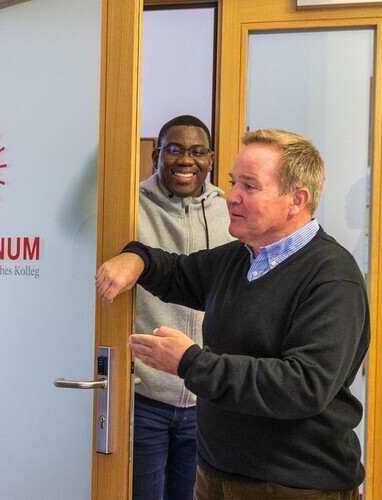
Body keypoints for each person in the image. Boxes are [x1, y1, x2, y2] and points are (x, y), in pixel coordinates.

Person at [97, 129, 369, 499]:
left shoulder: (332, 276)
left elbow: (303, 386)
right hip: (217, 476)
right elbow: (176, 272)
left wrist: (190, 362)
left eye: (249, 186)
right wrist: (137, 257)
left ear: (297, 200)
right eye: (232, 182)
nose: (232, 196)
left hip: (295, 487)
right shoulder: (240, 257)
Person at [132, 115, 231, 500]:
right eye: (174, 150)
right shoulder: (130, 205)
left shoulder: (229, 212)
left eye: (197, 151)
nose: (186, 160)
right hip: (145, 395)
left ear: (210, 159)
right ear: (156, 155)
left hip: (206, 397)